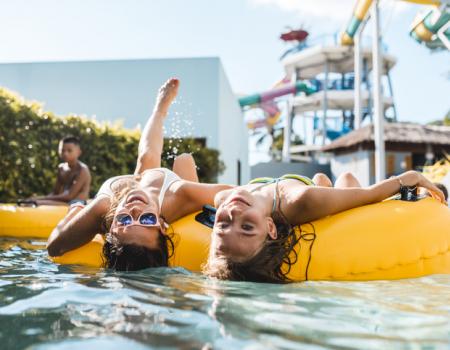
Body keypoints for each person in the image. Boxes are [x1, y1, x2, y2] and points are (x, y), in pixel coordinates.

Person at [47, 78, 233, 271]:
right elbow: (238, 193)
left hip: (127, 188)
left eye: (124, 220)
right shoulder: (178, 195)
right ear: (162, 225)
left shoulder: (102, 209)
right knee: (184, 159)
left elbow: (54, 246)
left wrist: (76, 210)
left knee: (146, 157)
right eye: (147, 220)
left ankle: (160, 108)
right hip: (162, 189)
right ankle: (161, 111)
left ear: (110, 230)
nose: (135, 210)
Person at [203, 171, 446, 283]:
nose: (234, 213)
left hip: (314, 187)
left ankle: (324, 182)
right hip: (312, 196)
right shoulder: (300, 201)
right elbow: (368, 195)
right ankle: (326, 184)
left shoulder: (223, 199)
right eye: (247, 227)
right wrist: (411, 178)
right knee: (348, 179)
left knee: (324, 179)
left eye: (223, 223)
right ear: (270, 228)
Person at [29, 136, 91, 206]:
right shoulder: (61, 168)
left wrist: (41, 199)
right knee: (29, 202)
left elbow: (70, 196)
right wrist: (37, 198)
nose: (65, 153)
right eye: (62, 150)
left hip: (77, 204)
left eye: (69, 151)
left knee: (35, 203)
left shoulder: (82, 169)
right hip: (64, 202)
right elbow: (55, 192)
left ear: (78, 152)